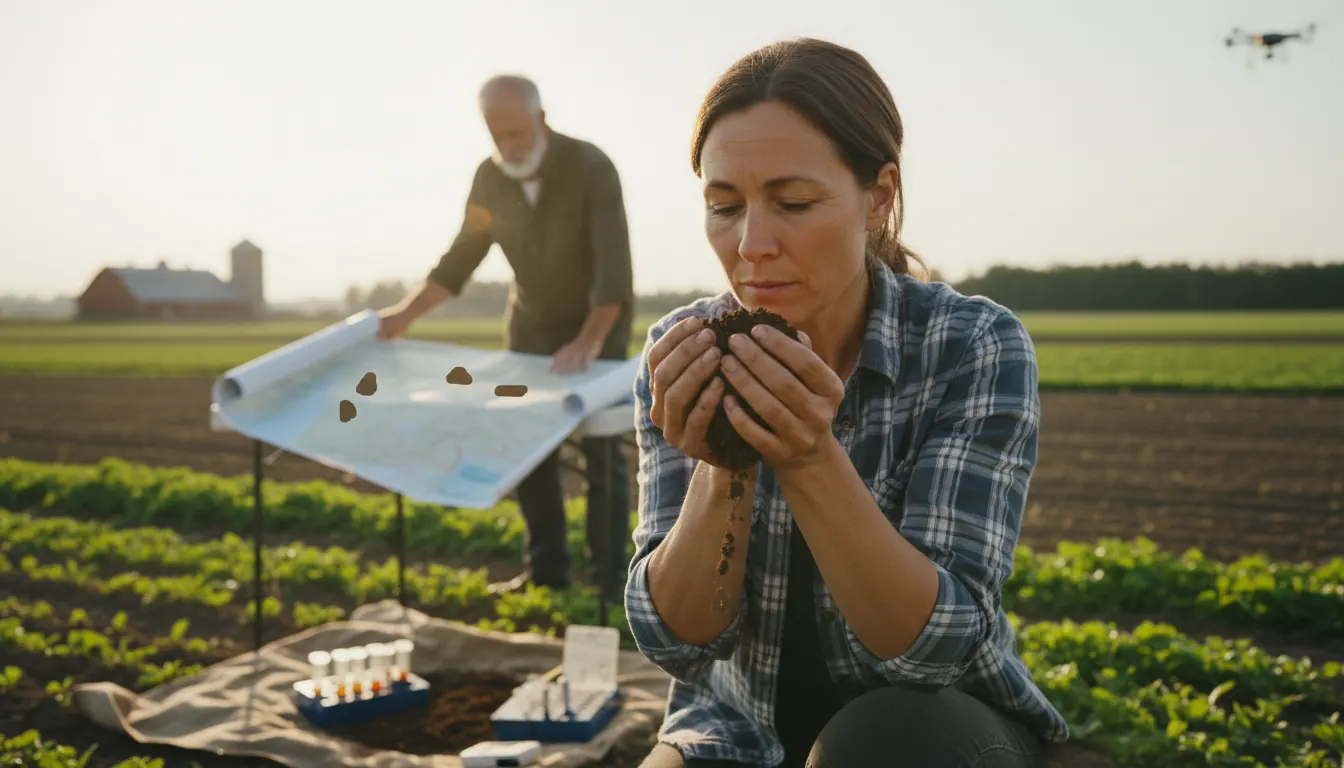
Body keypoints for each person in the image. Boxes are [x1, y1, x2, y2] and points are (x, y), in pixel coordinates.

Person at [624, 38, 1070, 767]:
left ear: (880, 196)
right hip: (737, 729)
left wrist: (806, 454)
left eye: (793, 202)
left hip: (932, 726)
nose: (752, 244)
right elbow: (679, 638)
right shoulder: (684, 350)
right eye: (723, 205)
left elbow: (933, 649)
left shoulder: (971, 346)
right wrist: (724, 457)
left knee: (877, 744)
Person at [377, 74, 635, 595]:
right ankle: (547, 577)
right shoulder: (489, 179)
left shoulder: (591, 167)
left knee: (602, 451)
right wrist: (403, 316)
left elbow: (614, 270)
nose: (507, 147)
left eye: (516, 133)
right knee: (529, 443)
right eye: (497, 136)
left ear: (541, 120)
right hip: (530, 327)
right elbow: (460, 259)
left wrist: (588, 342)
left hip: (596, 324)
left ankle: (610, 582)